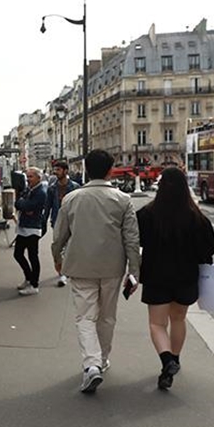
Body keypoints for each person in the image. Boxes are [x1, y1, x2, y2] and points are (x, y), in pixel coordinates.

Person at [51, 150, 141, 393]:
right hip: (112, 268)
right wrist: (134, 271)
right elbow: (132, 239)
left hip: (80, 266)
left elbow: (59, 236)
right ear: (110, 170)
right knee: (107, 316)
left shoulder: (71, 199)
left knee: (85, 317)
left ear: (87, 170)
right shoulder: (123, 199)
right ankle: (101, 360)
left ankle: (91, 365)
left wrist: (57, 258)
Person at [135, 166, 214, 391]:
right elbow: (209, 248)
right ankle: (176, 359)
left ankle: (166, 361)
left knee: (157, 324)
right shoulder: (196, 217)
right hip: (186, 277)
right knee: (178, 320)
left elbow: (135, 242)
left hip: (156, 275)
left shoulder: (146, 214)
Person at [44, 160, 81, 287]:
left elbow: (80, 205)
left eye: (58, 170)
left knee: (69, 247)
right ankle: (62, 270)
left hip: (73, 221)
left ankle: (64, 273)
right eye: (55, 170)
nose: (55, 172)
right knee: (57, 247)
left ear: (65, 171)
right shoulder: (52, 188)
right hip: (57, 221)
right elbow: (47, 206)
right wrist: (43, 222)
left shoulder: (75, 187)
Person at [12, 166, 48, 295]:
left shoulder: (41, 192)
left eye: (31, 176)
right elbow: (18, 203)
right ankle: (28, 277)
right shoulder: (30, 189)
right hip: (24, 226)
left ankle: (34, 284)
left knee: (33, 256)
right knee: (18, 254)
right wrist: (23, 205)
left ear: (38, 178)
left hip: (32, 227)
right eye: (27, 177)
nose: (28, 179)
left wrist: (24, 205)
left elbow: (28, 206)